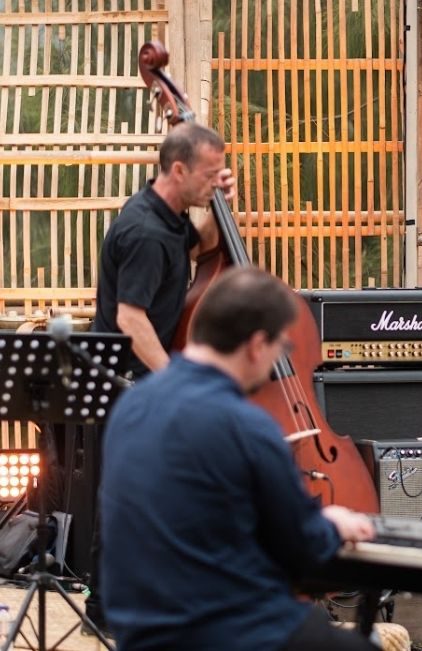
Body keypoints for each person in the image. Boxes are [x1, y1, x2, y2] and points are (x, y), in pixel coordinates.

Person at [99, 267, 381, 651]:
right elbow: (302, 550)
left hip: (142, 632)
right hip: (229, 633)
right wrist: (333, 525)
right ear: (257, 344)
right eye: (282, 348)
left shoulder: (132, 406)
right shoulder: (245, 426)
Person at [80, 122, 235, 633]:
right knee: (125, 495)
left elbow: (203, 246)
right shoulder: (144, 231)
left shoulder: (170, 217)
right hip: (126, 380)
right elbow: (130, 319)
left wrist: (219, 201)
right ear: (177, 170)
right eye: (209, 175)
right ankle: (104, 612)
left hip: (147, 375)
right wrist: (175, 380)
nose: (217, 180)